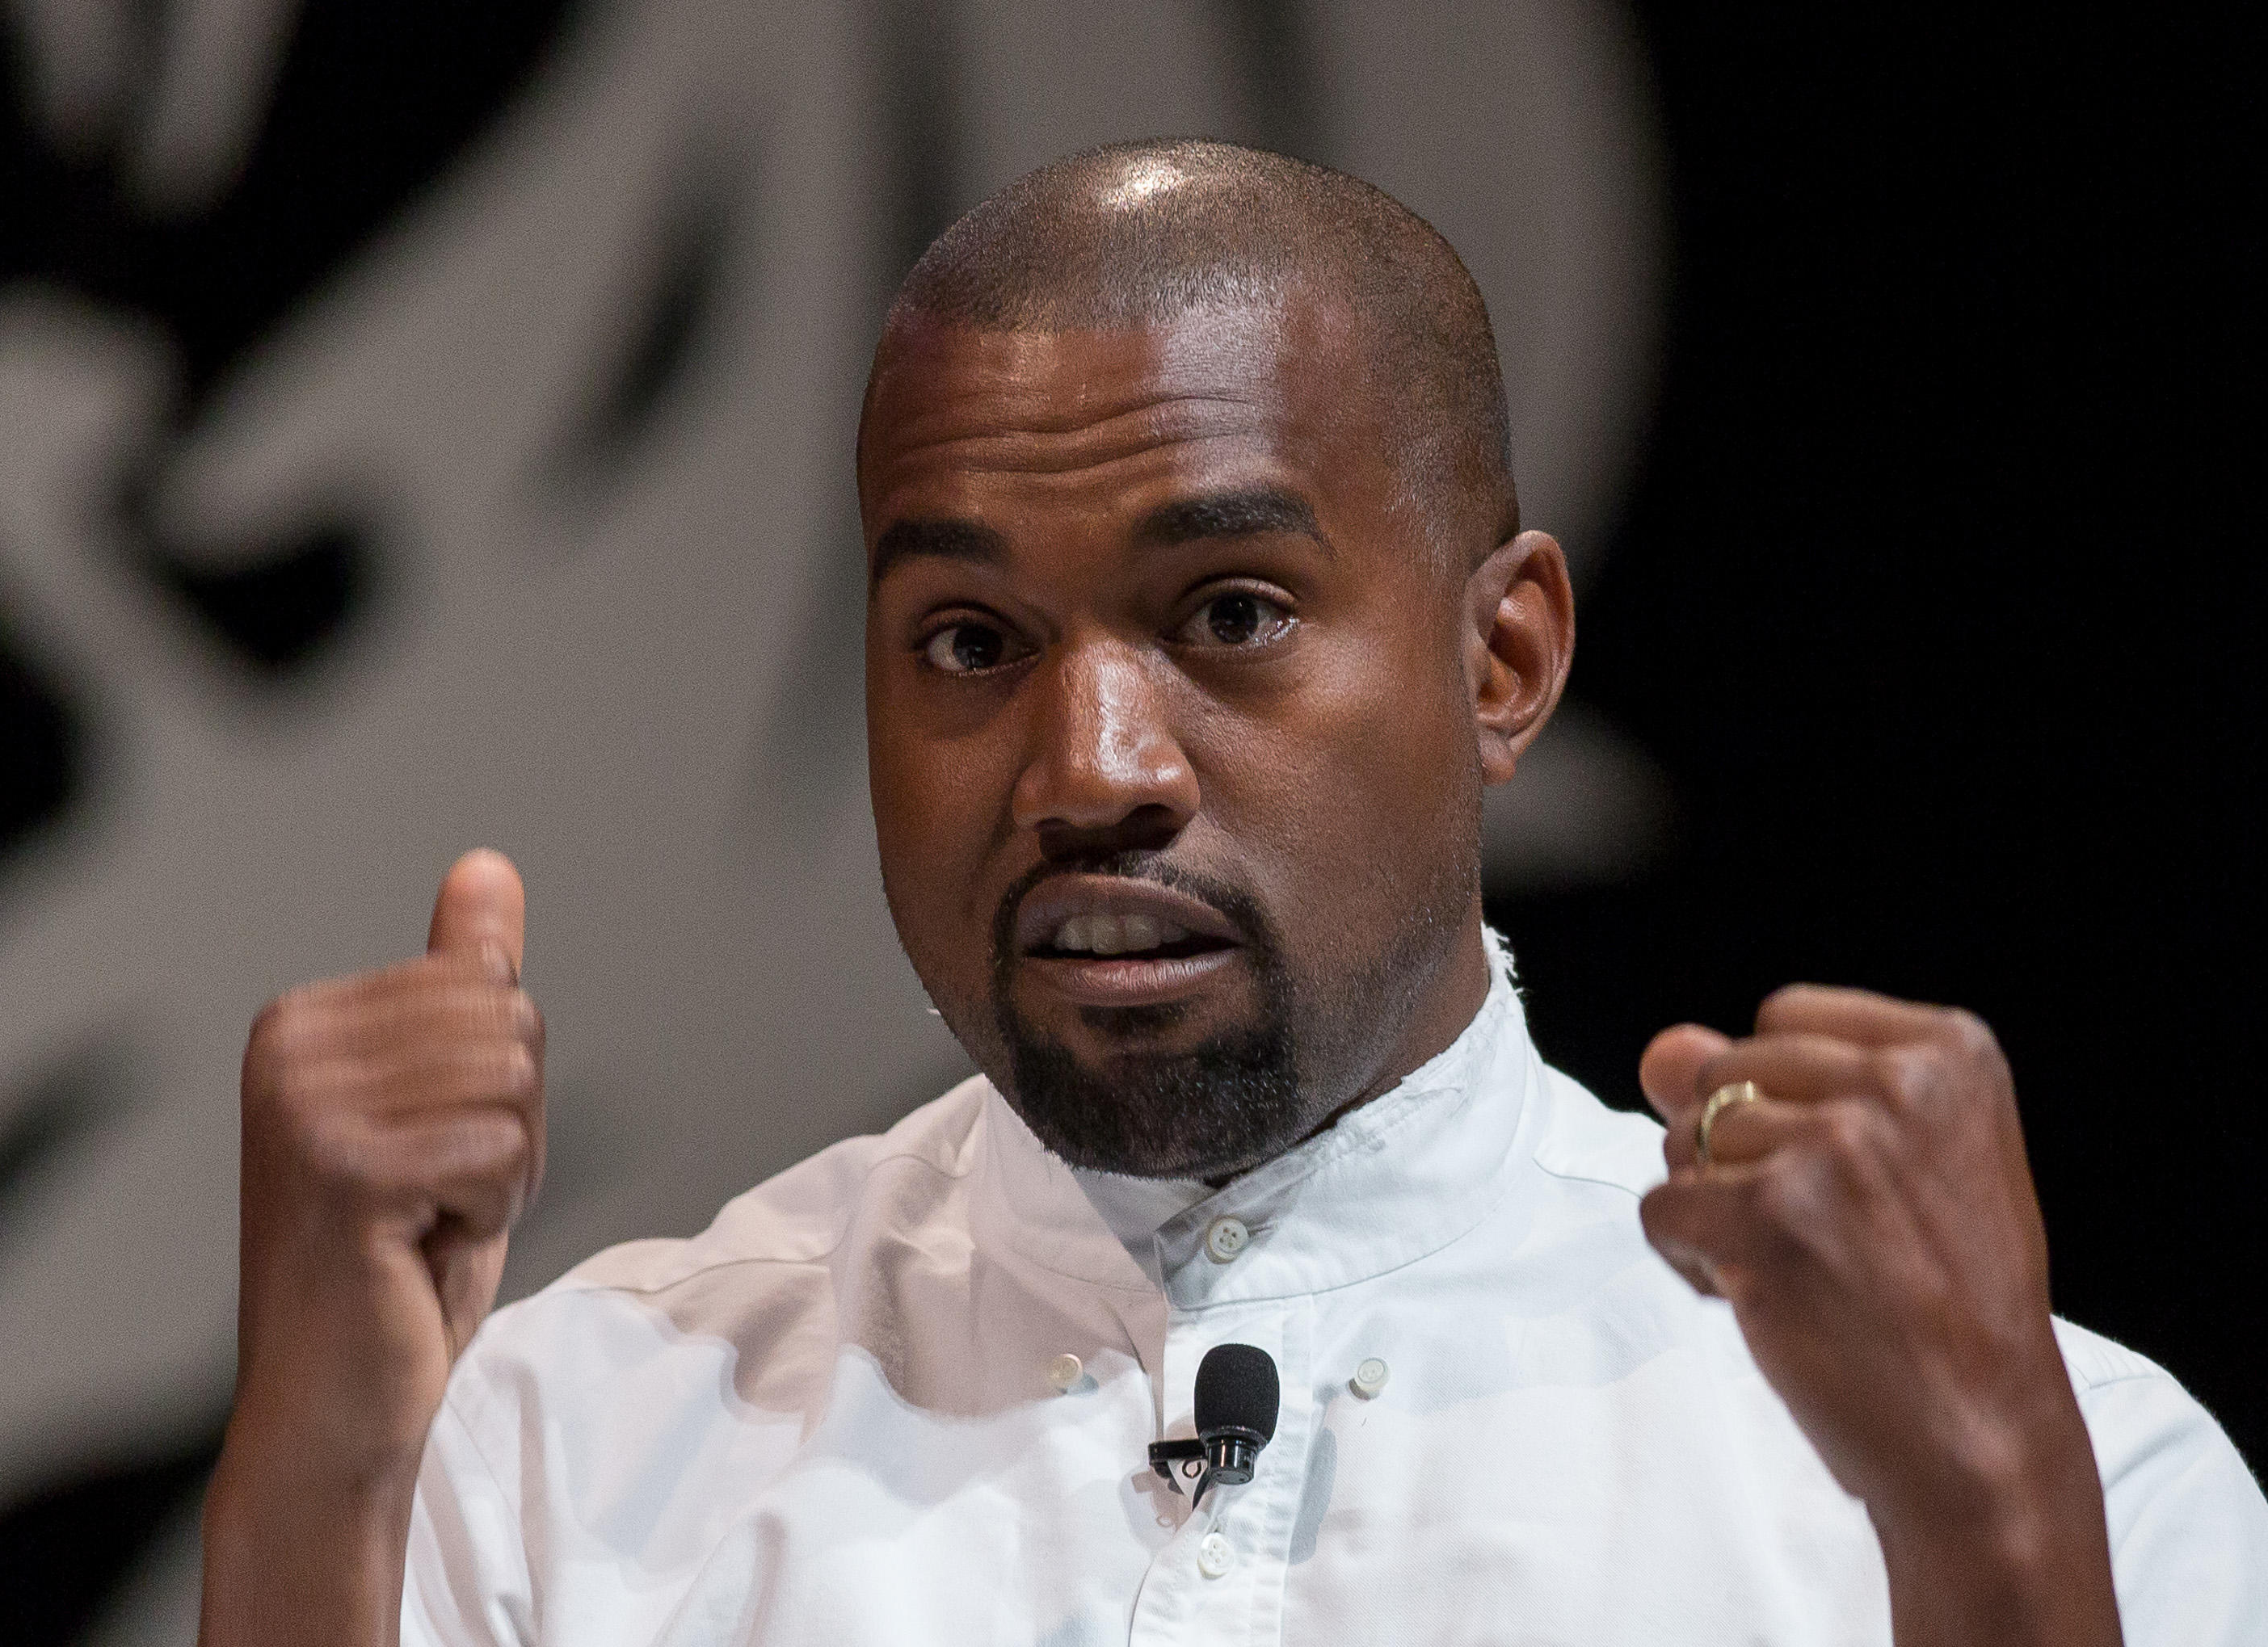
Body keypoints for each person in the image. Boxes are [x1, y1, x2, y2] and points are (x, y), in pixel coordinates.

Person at [196, 141, 2266, 1646]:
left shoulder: (2059, 1464)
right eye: (969, 646)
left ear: (1503, 663)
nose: (1090, 772)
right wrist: (315, 1485)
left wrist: (1985, 1522)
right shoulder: (565, 1445)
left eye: (1236, 611)